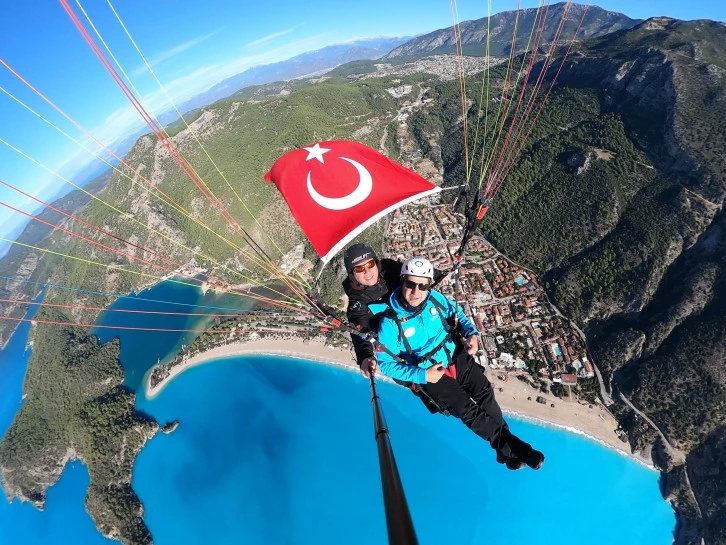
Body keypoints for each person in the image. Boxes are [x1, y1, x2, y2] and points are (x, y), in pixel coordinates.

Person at [375, 256, 545, 471]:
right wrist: (422, 375)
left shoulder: (435, 299)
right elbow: (386, 364)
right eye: (410, 284)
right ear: (402, 282)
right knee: (467, 409)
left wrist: (471, 333)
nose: (416, 291)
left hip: (454, 353)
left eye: (422, 285)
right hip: (429, 371)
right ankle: (519, 449)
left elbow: (459, 315)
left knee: (485, 393)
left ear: (429, 286)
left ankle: (506, 451)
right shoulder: (390, 322)